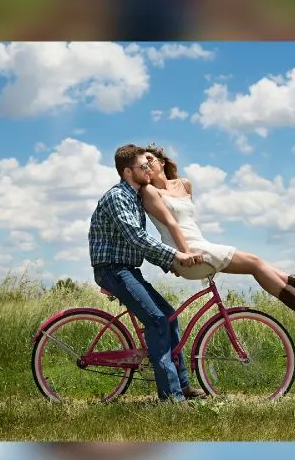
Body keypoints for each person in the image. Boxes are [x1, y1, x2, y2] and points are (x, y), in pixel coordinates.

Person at [141, 143, 295, 323]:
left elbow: (187, 222)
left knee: (258, 263)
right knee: (255, 263)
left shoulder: (184, 184)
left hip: (200, 244)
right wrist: (181, 255)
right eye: (142, 164)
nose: (146, 164)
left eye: (149, 159)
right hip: (187, 253)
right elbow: (171, 224)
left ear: (161, 161)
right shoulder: (149, 192)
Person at [88, 144, 206, 403]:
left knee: (170, 318)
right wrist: (176, 256)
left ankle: (183, 385)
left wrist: (169, 264)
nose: (149, 170)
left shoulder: (134, 196)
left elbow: (139, 243)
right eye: (144, 166)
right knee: (157, 321)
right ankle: (171, 397)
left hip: (127, 269)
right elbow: (137, 237)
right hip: (113, 270)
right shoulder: (118, 197)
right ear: (128, 171)